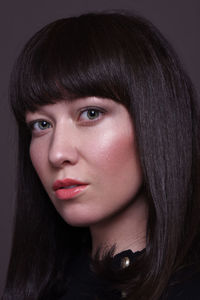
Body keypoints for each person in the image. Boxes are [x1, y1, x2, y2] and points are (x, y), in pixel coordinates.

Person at [2, 11, 200, 300]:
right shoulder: (47, 285)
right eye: (41, 124)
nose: (57, 153)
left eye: (91, 114)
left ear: (156, 121)